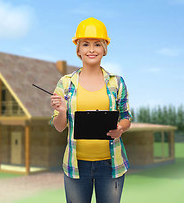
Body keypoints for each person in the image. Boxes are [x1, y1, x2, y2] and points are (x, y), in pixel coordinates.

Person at [49, 17, 133, 203]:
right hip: (76, 165)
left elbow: (126, 117)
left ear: (104, 48)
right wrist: (62, 110)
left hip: (111, 165)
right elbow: (59, 127)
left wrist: (120, 129)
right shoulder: (65, 83)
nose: (91, 49)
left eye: (97, 44)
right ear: (78, 49)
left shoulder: (117, 83)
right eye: (85, 44)